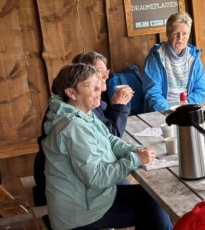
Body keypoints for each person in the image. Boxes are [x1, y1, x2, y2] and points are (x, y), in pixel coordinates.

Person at [42, 64, 171, 230]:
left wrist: (135, 151)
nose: (99, 90)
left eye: (97, 84)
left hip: (88, 196)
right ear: (71, 93)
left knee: (152, 199)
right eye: (90, 86)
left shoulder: (82, 114)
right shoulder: (73, 126)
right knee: (151, 212)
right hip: (77, 211)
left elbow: (110, 140)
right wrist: (135, 160)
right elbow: (96, 177)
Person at [33, 51, 134, 206]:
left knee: (140, 195)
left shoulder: (78, 104)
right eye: (99, 72)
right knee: (141, 196)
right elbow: (112, 135)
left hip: (72, 181)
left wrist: (135, 152)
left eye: (105, 71)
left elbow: (107, 136)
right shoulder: (73, 117)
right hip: (71, 193)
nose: (105, 76)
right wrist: (120, 106)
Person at [142, 12, 205, 112]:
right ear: (168, 34)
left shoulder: (194, 58)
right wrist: (170, 113)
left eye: (184, 34)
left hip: (187, 109)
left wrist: (187, 108)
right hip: (163, 111)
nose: (180, 38)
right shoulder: (155, 57)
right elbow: (153, 93)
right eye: (176, 33)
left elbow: (200, 90)